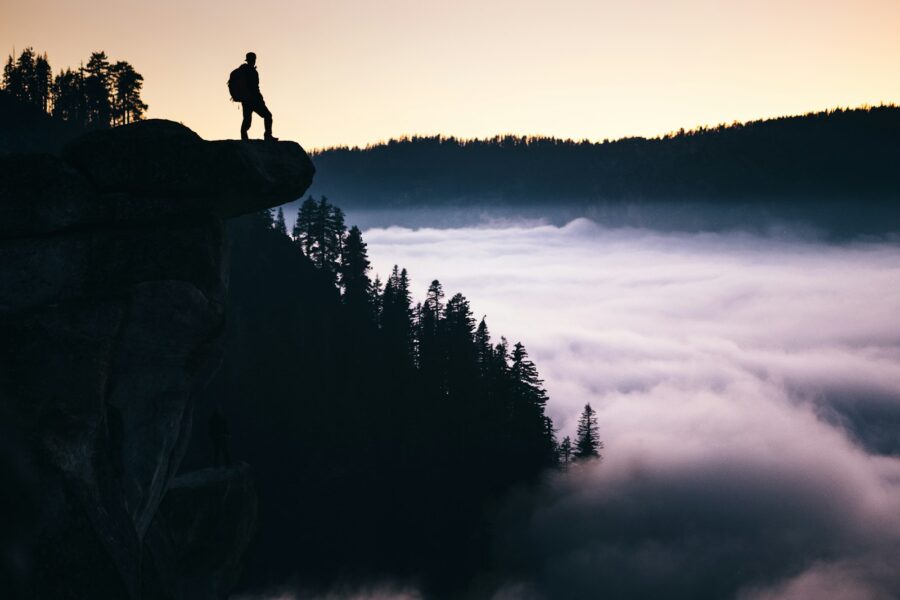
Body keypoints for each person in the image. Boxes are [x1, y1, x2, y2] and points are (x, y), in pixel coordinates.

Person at [238, 52, 277, 141]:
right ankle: (267, 135)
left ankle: (244, 138)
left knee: (247, 121)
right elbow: (255, 88)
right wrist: (260, 99)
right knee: (268, 115)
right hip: (254, 100)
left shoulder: (243, 70)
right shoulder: (251, 72)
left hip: (246, 100)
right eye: (253, 59)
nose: (254, 61)